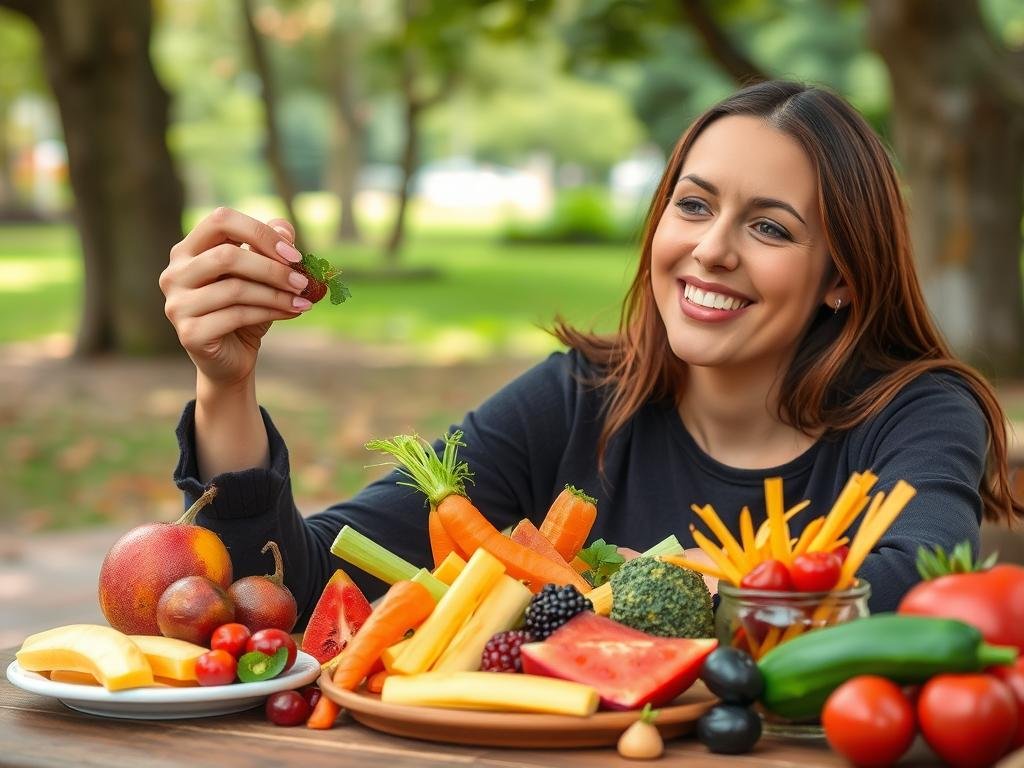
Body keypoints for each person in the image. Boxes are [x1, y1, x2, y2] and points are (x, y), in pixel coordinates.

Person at [159, 80, 1022, 621]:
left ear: (842, 278)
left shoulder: (917, 414)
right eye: (693, 205)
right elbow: (298, 587)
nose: (712, 249)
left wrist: (676, 591)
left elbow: (917, 590)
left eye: (769, 227)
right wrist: (225, 386)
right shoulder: (578, 399)